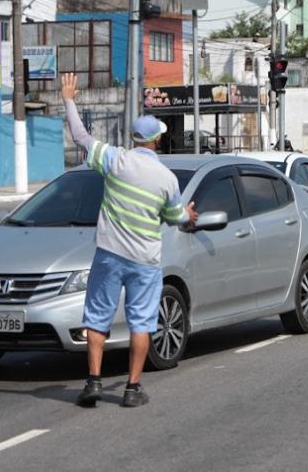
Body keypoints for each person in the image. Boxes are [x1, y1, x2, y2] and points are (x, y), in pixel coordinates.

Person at [61, 71, 197, 408]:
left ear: (133, 138)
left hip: (109, 254)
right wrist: (189, 216)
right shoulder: (166, 179)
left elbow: (80, 136)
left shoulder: (114, 160)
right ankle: (132, 388)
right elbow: (175, 217)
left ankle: (93, 382)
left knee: (96, 317)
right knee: (141, 322)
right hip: (145, 261)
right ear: (155, 142)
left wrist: (69, 99)